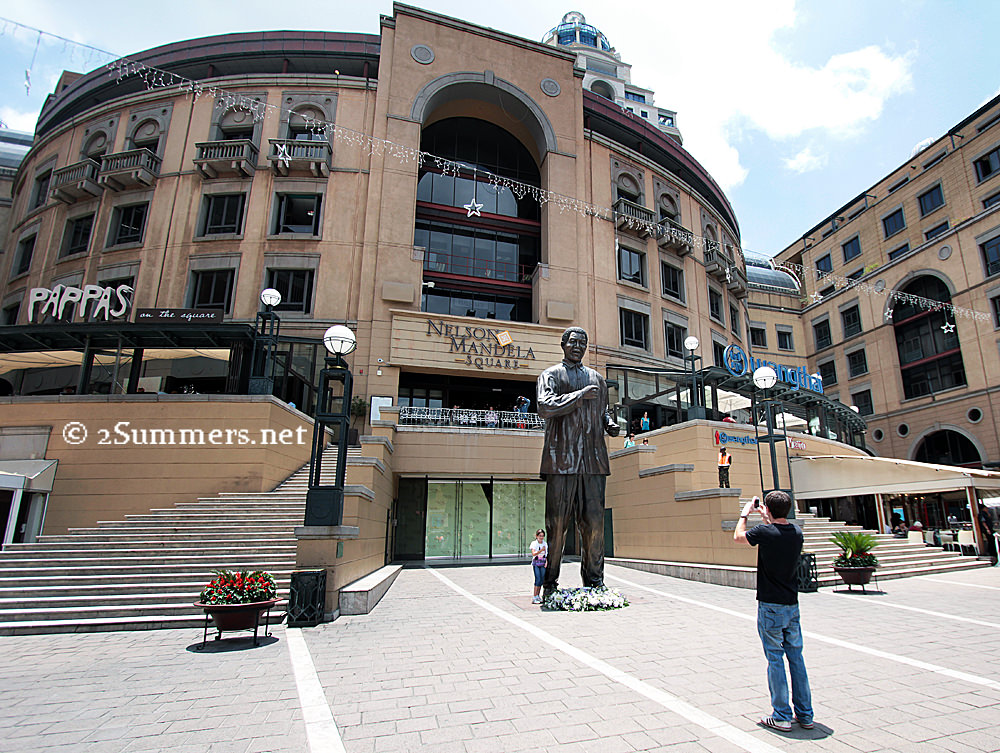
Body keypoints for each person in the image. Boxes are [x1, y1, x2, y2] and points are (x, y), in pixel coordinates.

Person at [537, 326, 620, 597]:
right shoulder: (551, 375)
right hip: (561, 461)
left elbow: (603, 411)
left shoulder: (597, 378)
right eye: (573, 342)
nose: (577, 347)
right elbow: (545, 405)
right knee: (557, 527)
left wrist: (609, 423)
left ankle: (595, 582)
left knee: (594, 525)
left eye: (582, 343)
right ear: (563, 344)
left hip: (593, 461)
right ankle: (549, 584)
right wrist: (579, 396)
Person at [734, 491, 814, 733]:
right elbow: (777, 531)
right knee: (796, 658)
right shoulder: (796, 533)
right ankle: (805, 714)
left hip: (770, 605)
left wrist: (745, 514)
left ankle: (781, 715)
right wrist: (767, 517)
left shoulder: (765, 533)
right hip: (792, 605)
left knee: (775, 659)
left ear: (767, 509)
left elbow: (739, 537)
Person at [530, 529, 548, 604]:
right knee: (537, 578)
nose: (541, 537)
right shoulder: (534, 543)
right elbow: (534, 553)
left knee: (541, 580)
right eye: (540, 536)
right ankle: (534, 596)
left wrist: (546, 562)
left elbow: (546, 554)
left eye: (543, 536)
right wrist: (541, 550)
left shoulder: (545, 544)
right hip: (536, 563)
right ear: (537, 536)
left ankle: (538, 595)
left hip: (543, 562)